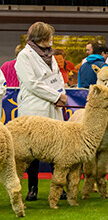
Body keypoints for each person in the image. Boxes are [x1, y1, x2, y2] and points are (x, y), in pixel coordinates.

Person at [16, 21, 69, 201]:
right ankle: (33, 188)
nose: (52, 40)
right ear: (41, 38)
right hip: (34, 107)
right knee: (33, 151)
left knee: (57, 149)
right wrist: (56, 97)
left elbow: (57, 78)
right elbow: (32, 84)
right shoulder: (24, 56)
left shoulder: (50, 55)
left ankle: (59, 188)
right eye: (49, 36)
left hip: (53, 108)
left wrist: (61, 95)